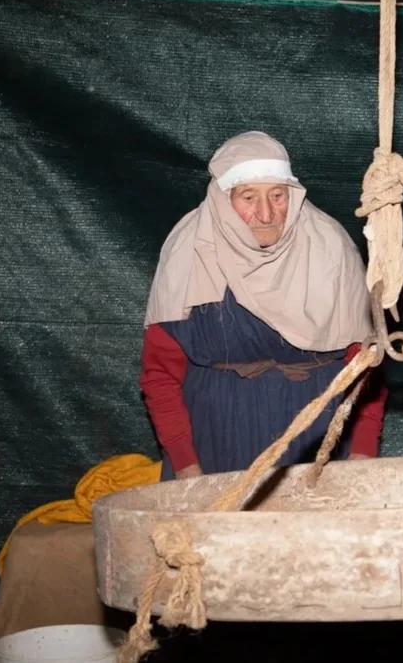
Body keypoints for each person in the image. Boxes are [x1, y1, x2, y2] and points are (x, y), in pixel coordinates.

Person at [140, 131, 387, 481]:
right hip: (218, 441)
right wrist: (185, 465)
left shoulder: (329, 248)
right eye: (248, 197)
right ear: (224, 200)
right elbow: (160, 373)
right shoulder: (189, 254)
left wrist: (362, 450)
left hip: (315, 441)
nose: (267, 213)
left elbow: (366, 366)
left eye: (277, 195)